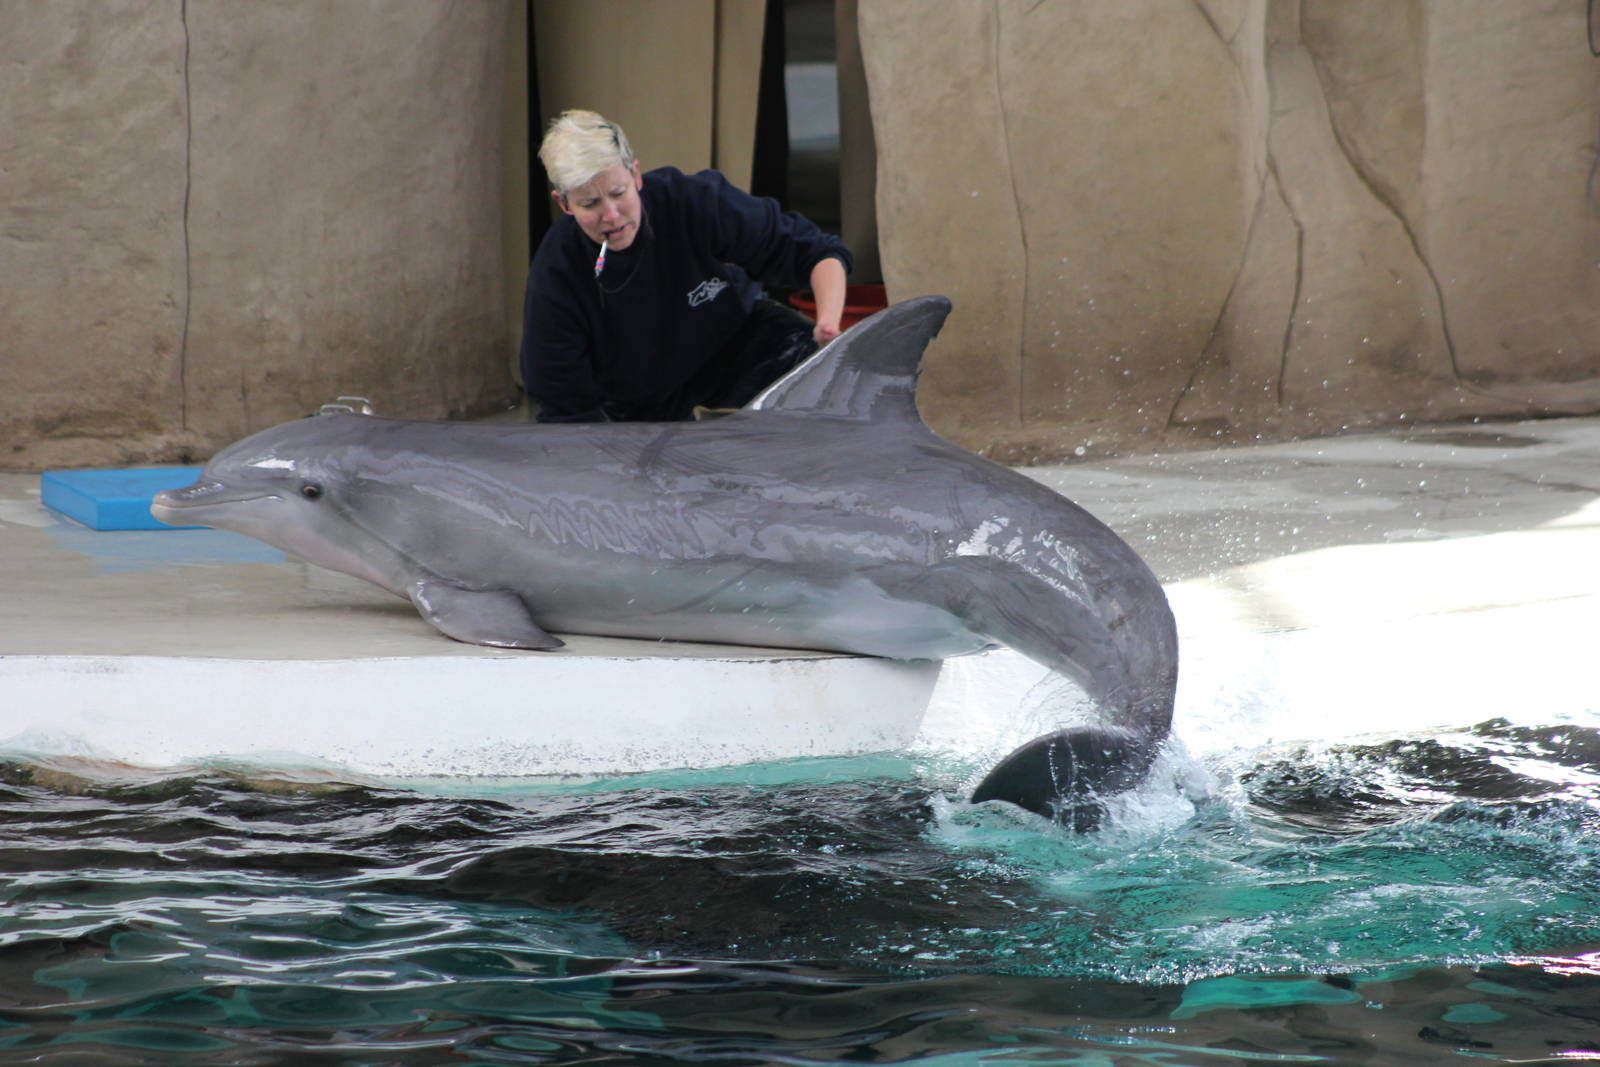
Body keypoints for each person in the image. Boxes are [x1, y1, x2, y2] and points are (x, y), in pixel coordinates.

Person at [518, 109, 852, 423]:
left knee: (830, 377)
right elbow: (564, 408)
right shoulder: (557, 274)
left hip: (744, 351)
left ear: (636, 175)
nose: (611, 216)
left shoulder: (689, 201)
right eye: (589, 204)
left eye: (618, 193)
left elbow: (817, 252)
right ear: (564, 204)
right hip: (645, 411)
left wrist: (828, 325)